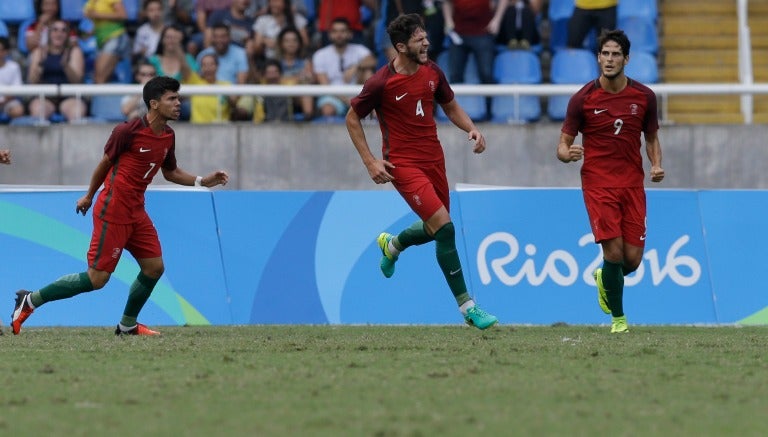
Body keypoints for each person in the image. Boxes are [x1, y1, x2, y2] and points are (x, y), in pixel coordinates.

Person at [10, 76, 230, 337]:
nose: (178, 103)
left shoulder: (168, 136)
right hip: (113, 209)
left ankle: (127, 325)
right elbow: (104, 165)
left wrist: (202, 181)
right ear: (154, 104)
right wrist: (89, 196)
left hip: (136, 211)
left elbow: (170, 173)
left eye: (178, 98)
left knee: (154, 268)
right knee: (97, 279)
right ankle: (31, 300)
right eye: (172, 98)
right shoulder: (127, 131)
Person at [345, 13, 498, 330]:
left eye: (426, 37)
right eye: (419, 39)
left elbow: (450, 106)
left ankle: (393, 245)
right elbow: (352, 118)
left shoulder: (433, 73)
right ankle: (468, 308)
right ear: (401, 47)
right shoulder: (380, 83)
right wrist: (371, 161)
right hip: (402, 163)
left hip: (434, 160)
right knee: (445, 227)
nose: (427, 42)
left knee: (434, 229)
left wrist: (472, 129)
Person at [556, 29, 664, 334]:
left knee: (631, 261)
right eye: (605, 53)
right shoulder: (583, 99)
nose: (610, 59)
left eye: (616, 54)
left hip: (632, 184)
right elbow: (562, 145)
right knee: (613, 254)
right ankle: (619, 319)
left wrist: (656, 164)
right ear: (598, 57)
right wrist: (567, 155)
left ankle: (604, 277)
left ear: (626, 59)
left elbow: (652, 138)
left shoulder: (644, 97)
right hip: (598, 183)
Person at [312, 18, 375, 118]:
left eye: (343, 31)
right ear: (330, 34)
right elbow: (325, 85)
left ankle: (376, 124)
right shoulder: (320, 54)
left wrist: (356, 66)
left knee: (367, 71)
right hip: (333, 96)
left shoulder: (359, 49)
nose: (339, 35)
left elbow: (372, 60)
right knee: (327, 109)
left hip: (358, 94)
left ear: (350, 33)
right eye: (335, 31)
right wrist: (346, 100)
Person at [26, 20, 88, 122]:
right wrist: (41, 63)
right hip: (45, 97)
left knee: (77, 112)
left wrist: (66, 65)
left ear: (67, 35)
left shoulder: (75, 51)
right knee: (38, 111)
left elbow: (77, 81)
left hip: (69, 96)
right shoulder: (39, 52)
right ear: (49, 34)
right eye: (55, 30)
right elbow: (32, 81)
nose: (59, 34)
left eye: (63, 31)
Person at [441, 0, 507, 85]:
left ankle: (489, 98)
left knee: (486, 75)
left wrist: (497, 20)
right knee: (455, 76)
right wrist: (448, 20)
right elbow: (446, 2)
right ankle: (456, 99)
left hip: (484, 32)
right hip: (458, 34)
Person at [84, 0, 130, 83]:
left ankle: (97, 95)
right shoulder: (91, 2)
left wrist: (97, 15)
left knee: (100, 77)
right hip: (101, 40)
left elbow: (123, 15)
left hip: (114, 37)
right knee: (100, 77)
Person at [186, 53, 236, 123]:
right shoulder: (195, 83)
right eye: (204, 65)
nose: (208, 68)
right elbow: (183, 66)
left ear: (217, 66)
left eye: (211, 64)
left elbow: (234, 103)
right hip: (197, 130)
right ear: (201, 68)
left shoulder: (226, 85)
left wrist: (229, 99)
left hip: (220, 130)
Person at [0, 37, 25, 121]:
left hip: (8, 101)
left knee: (18, 110)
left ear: (6, 52)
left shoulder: (14, 67)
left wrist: (3, 101)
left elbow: (16, 89)